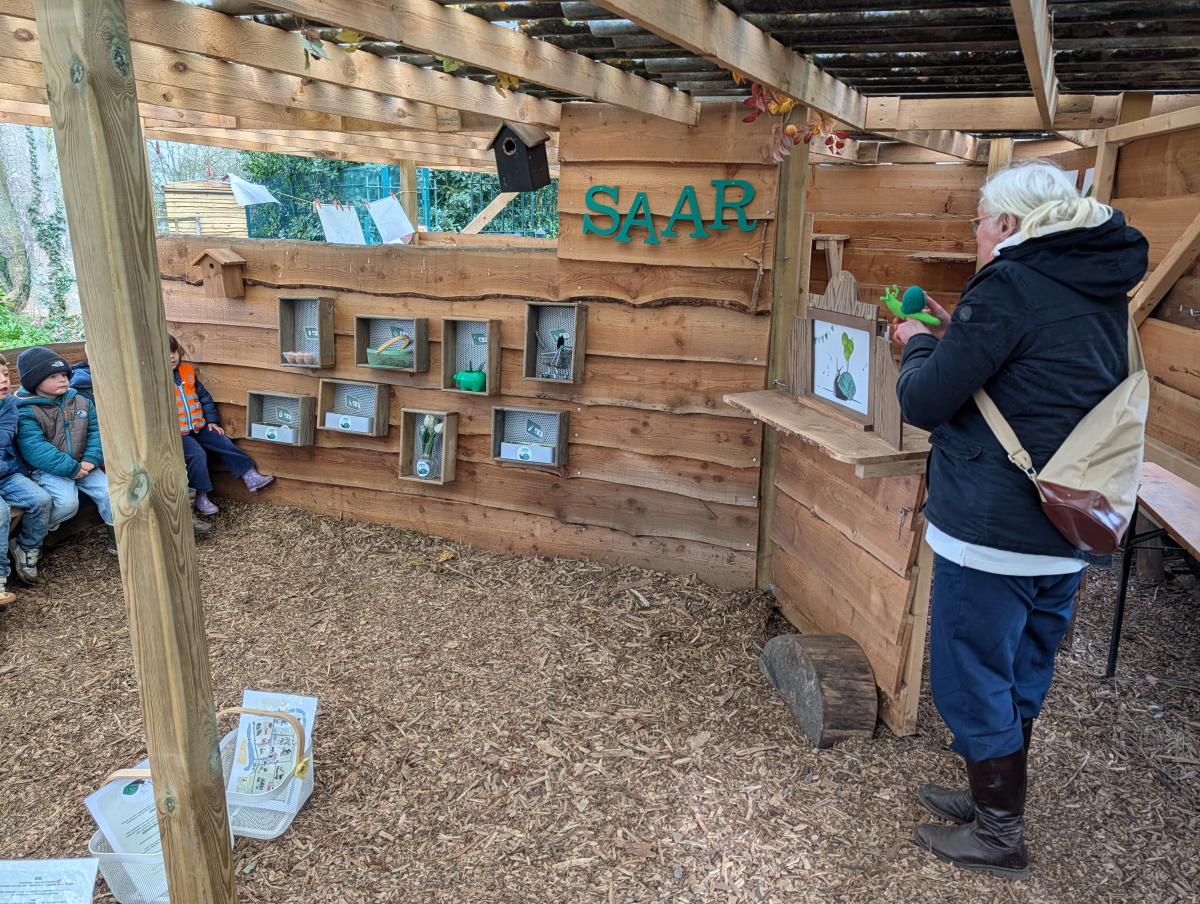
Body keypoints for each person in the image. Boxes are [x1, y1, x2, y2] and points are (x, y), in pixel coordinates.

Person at [894, 160, 1148, 880]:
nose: (975, 235)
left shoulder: (1008, 282)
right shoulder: (1097, 283)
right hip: (1065, 522)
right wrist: (959, 334)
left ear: (1008, 223)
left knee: (972, 673)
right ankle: (991, 801)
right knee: (1022, 667)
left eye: (979, 222)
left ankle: (1000, 834)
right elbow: (1037, 377)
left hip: (993, 528)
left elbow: (925, 401)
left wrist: (918, 343)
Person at [15, 346, 116, 555]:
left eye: (63, 374)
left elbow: (96, 431)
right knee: (68, 504)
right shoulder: (27, 411)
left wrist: (92, 458)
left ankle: (118, 538)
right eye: (53, 376)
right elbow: (35, 448)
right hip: (49, 470)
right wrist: (71, 468)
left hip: (84, 463)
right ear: (34, 382)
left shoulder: (80, 401)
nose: (62, 379)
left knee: (110, 494)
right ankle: (34, 532)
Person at [170, 335, 273, 515]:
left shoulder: (187, 371)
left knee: (221, 440)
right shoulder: (156, 379)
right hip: (178, 434)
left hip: (199, 426)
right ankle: (201, 496)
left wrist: (211, 421)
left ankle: (250, 475)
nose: (172, 356)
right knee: (197, 455)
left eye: (173, 351)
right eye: (166, 353)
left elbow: (204, 398)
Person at [0, 352, 53, 610]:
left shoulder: (9, 405)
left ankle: (26, 548)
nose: (4, 380)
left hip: (6, 474)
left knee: (41, 500)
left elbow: (4, 437)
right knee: (1, 513)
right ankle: (0, 578)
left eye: (5, 374)